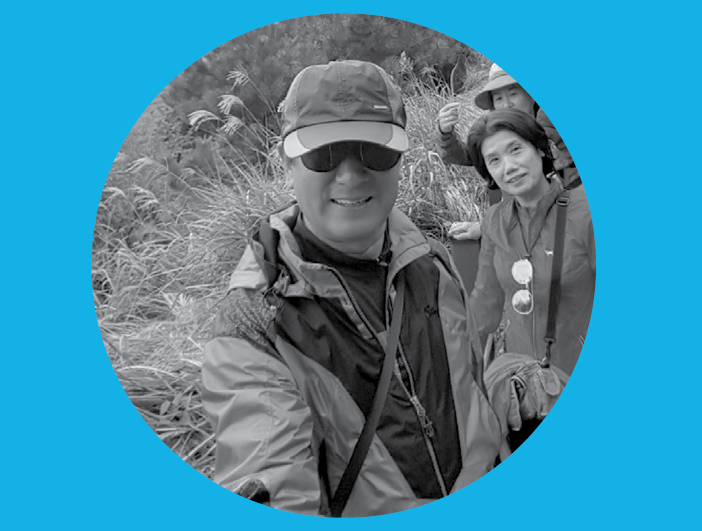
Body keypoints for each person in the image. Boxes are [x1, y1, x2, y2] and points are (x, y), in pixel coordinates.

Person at [201, 60, 504, 517]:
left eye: (373, 150)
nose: (349, 173)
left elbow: (471, 395)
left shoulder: (431, 261)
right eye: (323, 154)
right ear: (287, 161)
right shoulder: (256, 326)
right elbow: (271, 474)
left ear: (399, 159)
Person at [465, 108, 595, 378]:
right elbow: (485, 302)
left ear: (540, 149)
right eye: (494, 160)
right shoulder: (495, 221)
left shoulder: (585, 212)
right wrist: (459, 362)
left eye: (516, 149)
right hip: (523, 383)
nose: (509, 167)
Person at [438, 64, 579, 238]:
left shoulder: (552, 124)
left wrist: (485, 230)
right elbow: (468, 155)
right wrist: (446, 133)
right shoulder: (497, 133)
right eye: (498, 98)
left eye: (513, 94)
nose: (507, 104)